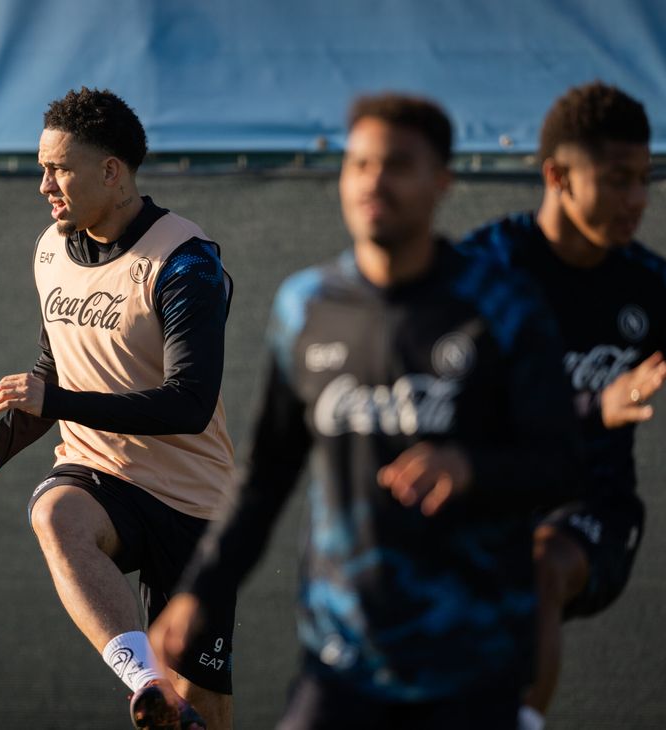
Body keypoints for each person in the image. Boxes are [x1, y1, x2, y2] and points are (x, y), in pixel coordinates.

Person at [149, 94, 584, 730]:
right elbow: (264, 480)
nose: (375, 180)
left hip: (474, 664)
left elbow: (563, 466)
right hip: (341, 663)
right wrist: (200, 591)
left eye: (399, 164)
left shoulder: (502, 304)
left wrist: (469, 466)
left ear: (442, 182)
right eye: (360, 164)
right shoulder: (306, 306)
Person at [0, 87, 236, 729]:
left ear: (112, 172)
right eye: (42, 167)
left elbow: (190, 404)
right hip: (99, 472)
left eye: (60, 168)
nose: (45, 184)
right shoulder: (51, 249)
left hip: (193, 502)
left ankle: (175, 702)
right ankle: (144, 681)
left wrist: (55, 398)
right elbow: (56, 369)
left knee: (207, 713)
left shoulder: (185, 263)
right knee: (55, 514)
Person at [460, 81, 662, 730]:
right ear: (557, 176)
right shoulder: (483, 272)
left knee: (540, 562)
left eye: (644, 180)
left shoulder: (647, 285)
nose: (636, 200)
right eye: (616, 180)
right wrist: (594, 405)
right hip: (479, 506)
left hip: (591, 514)